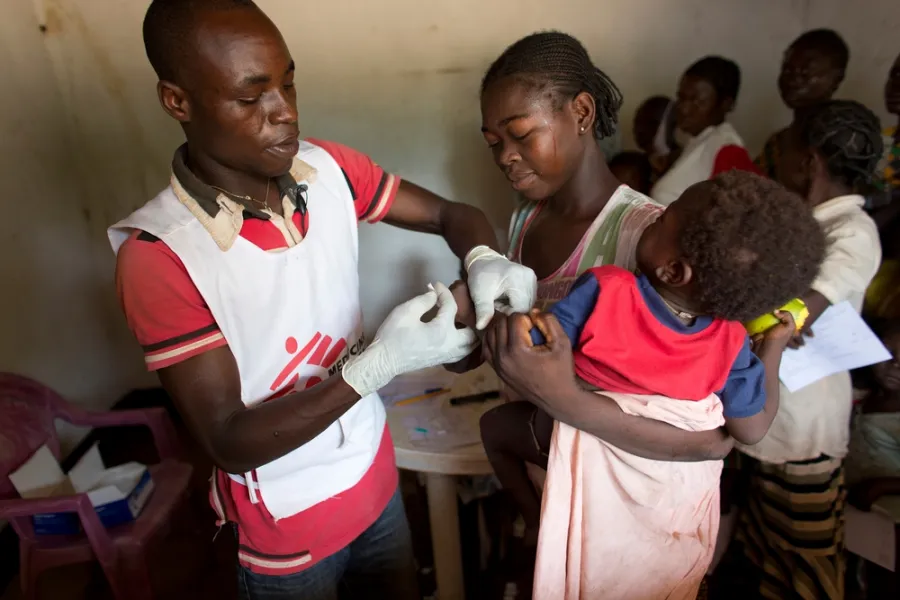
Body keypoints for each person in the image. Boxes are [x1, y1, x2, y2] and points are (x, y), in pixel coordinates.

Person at [109, 2, 536, 599]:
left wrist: (485, 259)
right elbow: (229, 440)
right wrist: (376, 366)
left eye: (287, 82)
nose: (284, 111)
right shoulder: (161, 255)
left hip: (375, 479)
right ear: (177, 101)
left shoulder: (326, 171)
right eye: (251, 96)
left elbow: (450, 214)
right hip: (286, 534)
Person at [479, 171, 824, 552]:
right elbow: (752, 429)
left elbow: (534, 350)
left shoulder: (606, 290)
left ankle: (530, 519)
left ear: (673, 271)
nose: (652, 219)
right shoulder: (732, 343)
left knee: (494, 427)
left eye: (662, 220)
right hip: (662, 477)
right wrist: (772, 347)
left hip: (574, 439)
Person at [734, 100, 883, 600]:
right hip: (771, 420)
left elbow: (798, 311)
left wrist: (783, 314)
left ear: (810, 162)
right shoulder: (807, 225)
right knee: (769, 558)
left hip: (805, 429)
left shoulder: (853, 232)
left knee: (807, 570)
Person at [650, 56, 759, 206]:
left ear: (726, 104)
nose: (684, 108)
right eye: (681, 98)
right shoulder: (698, 141)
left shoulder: (728, 151)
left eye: (698, 101)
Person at [755, 29, 849, 180]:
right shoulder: (777, 143)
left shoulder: (841, 144)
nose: (793, 80)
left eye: (805, 73)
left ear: (836, 80)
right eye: (787, 70)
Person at [632, 95, 676, 176]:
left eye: (651, 124)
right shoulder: (633, 165)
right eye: (638, 121)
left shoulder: (680, 166)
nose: (640, 129)